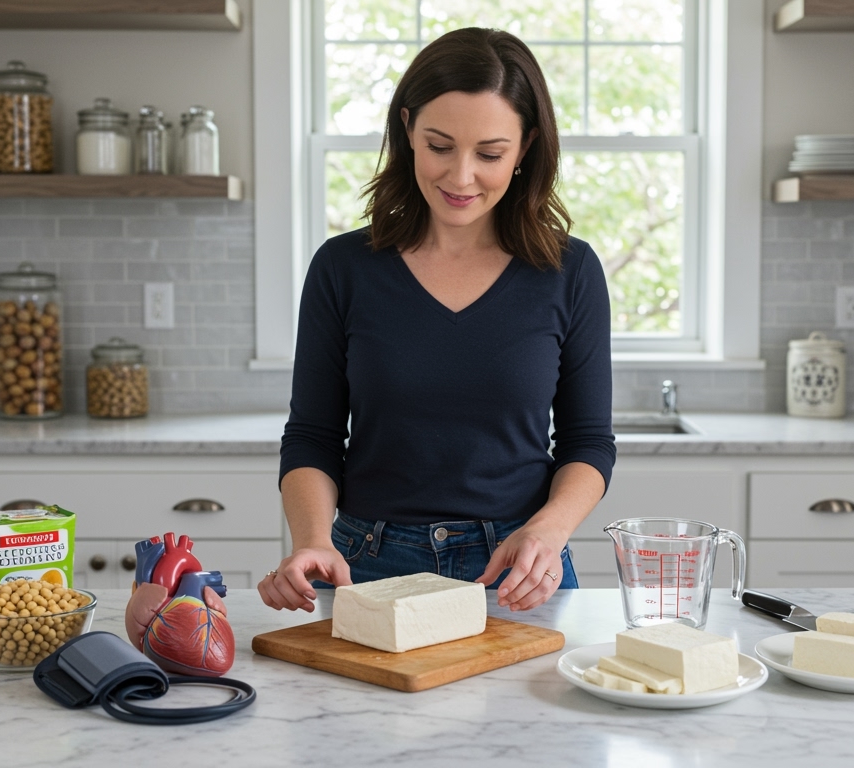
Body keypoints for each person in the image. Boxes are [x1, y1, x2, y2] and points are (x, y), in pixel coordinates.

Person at [260, 27, 614, 615]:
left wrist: (548, 531)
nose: (461, 176)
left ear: (525, 148)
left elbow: (588, 443)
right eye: (440, 146)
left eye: (490, 153)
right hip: (363, 568)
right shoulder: (343, 268)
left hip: (517, 567)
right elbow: (313, 437)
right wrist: (312, 542)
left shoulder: (569, 270)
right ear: (408, 132)